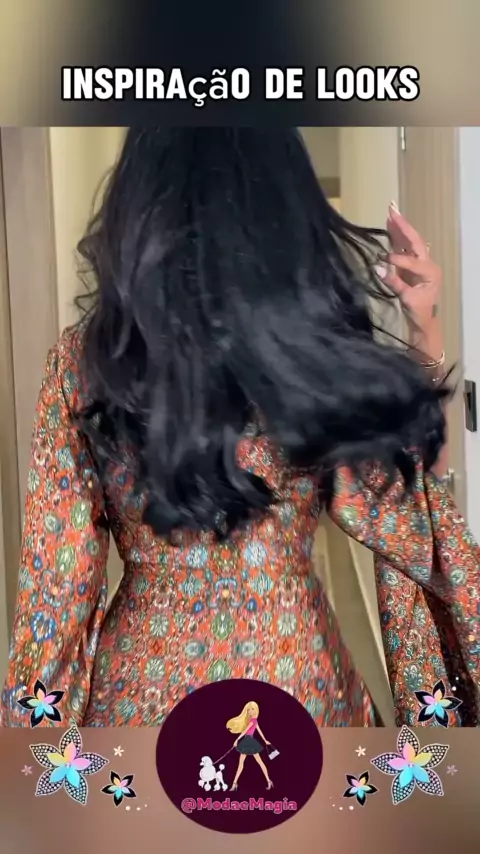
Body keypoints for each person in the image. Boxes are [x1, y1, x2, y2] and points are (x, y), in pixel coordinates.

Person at [1, 128, 479, 729]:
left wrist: (35, 759)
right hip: (298, 683)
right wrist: (424, 329)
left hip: (144, 695)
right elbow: (410, 519)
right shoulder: (308, 352)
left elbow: (56, 588)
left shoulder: (85, 363)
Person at [226, 701, 273, 790]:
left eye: (252, 709)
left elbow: (245, 731)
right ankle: (235, 783)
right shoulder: (253, 720)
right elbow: (259, 730)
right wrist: (265, 740)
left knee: (254, 763)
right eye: (248, 709)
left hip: (249, 741)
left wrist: (237, 740)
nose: (250, 711)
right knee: (244, 763)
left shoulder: (253, 720)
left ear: (256, 710)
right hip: (248, 741)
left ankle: (268, 781)